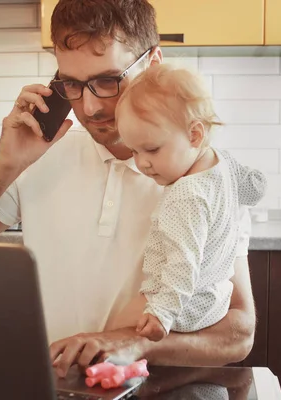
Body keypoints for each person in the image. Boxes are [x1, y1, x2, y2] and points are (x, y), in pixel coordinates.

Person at [0, 0, 258, 378]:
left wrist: (133, 343)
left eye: (107, 81)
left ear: (152, 63)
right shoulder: (39, 157)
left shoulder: (206, 180)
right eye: (71, 84)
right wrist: (6, 165)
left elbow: (238, 333)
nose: (89, 106)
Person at [107, 64, 266, 342]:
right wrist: (258, 185)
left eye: (152, 149)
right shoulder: (222, 160)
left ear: (195, 134)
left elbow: (183, 264)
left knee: (113, 330)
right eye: (134, 150)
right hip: (216, 297)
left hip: (184, 304)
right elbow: (250, 186)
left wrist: (161, 314)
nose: (142, 163)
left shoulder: (185, 196)